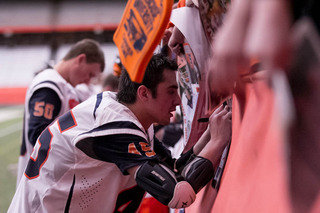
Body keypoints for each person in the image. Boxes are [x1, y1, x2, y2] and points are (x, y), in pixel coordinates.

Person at [9, 53, 231, 212]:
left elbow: (173, 171)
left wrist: (210, 134)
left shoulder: (126, 116)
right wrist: (219, 141)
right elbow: (177, 195)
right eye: (171, 91)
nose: (177, 100)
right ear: (143, 93)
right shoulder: (115, 125)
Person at [16, 38, 105, 185]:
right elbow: (38, 136)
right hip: (38, 178)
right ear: (80, 59)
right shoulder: (49, 86)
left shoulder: (64, 85)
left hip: (46, 175)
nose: (87, 81)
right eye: (89, 74)